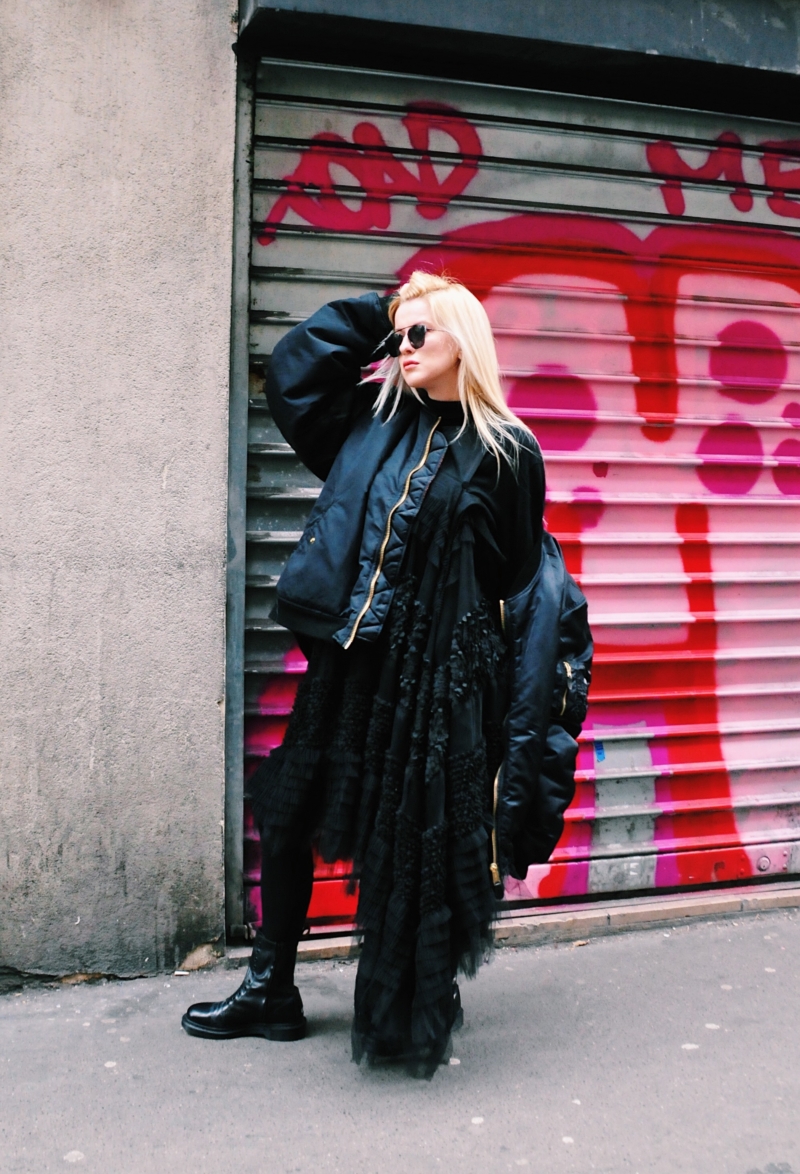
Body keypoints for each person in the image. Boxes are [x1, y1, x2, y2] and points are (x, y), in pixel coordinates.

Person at [182, 272, 591, 1076]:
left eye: (420, 336)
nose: (404, 350)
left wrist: (502, 705)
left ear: (461, 345)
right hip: (348, 658)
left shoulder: (508, 453)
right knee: (292, 815)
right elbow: (297, 372)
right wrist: (387, 309)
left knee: (410, 845)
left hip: (435, 683)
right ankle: (271, 986)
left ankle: (409, 996)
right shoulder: (368, 423)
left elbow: (515, 582)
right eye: (400, 337)